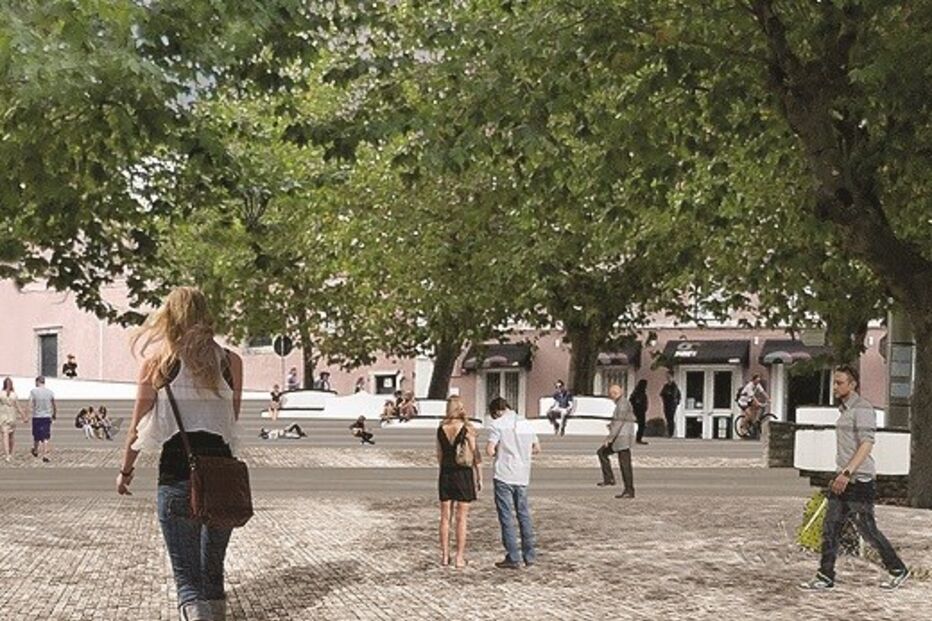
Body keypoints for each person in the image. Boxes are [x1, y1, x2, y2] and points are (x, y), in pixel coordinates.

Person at [117, 286, 243, 621]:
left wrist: (125, 472)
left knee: (188, 581)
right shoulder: (231, 362)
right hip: (221, 474)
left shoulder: (157, 364)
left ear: (169, 317)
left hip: (176, 474)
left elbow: (135, 428)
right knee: (212, 573)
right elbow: (232, 418)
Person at [799, 365, 910, 592]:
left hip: (859, 482)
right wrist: (840, 474)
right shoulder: (845, 410)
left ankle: (898, 570)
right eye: (835, 382)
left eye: (840, 383)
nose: (835, 387)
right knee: (830, 528)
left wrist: (848, 472)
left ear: (852, 384)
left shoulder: (863, 409)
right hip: (843, 479)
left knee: (867, 530)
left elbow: (867, 444)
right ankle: (825, 576)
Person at [486, 397, 539, 569]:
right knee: (524, 514)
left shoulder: (498, 424)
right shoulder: (525, 422)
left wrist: (499, 452)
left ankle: (513, 556)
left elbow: (490, 449)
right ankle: (529, 555)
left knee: (506, 516)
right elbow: (537, 448)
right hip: (523, 474)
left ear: (497, 411)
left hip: (504, 474)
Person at [436, 396, 481, 569]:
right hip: (463, 474)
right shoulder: (468, 429)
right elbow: (475, 454)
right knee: (462, 518)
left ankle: (445, 556)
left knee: (445, 517)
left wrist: (445, 468)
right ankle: (459, 557)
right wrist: (479, 476)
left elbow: (439, 455)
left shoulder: (441, 428)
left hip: (446, 473)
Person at [596, 384, 636, 498]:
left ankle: (629, 490)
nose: (611, 397)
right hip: (620, 437)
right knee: (602, 453)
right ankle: (609, 478)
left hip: (622, 438)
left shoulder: (622, 404)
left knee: (625, 465)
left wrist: (609, 438)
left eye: (611, 395)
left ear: (614, 394)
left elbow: (619, 423)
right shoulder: (622, 403)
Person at [29, 376, 57, 463]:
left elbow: (30, 403)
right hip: (46, 416)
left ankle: (36, 450)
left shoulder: (33, 391)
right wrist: (54, 414)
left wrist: (26, 414)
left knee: (36, 435)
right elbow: (54, 404)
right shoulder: (50, 392)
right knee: (46, 436)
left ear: (37, 382)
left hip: (37, 416)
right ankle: (45, 455)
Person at [1, 377, 27, 462]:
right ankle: (10, 453)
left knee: (5, 436)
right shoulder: (14, 395)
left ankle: (7, 455)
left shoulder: (1, 394)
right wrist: (24, 417)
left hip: (3, 417)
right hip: (12, 416)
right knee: (11, 436)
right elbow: (18, 407)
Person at [659, 371, 681, 438]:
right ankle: (669, 432)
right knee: (668, 418)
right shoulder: (666, 386)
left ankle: (670, 433)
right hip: (666, 404)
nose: (667, 378)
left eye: (669, 377)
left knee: (670, 418)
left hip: (671, 405)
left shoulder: (674, 386)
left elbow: (676, 395)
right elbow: (662, 394)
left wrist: (676, 402)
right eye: (667, 377)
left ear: (672, 377)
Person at [629, 379, 649, 445]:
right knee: (641, 424)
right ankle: (638, 439)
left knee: (641, 425)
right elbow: (632, 400)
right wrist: (637, 405)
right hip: (639, 410)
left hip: (640, 410)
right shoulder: (639, 392)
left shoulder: (638, 391)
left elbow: (631, 400)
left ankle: (639, 438)